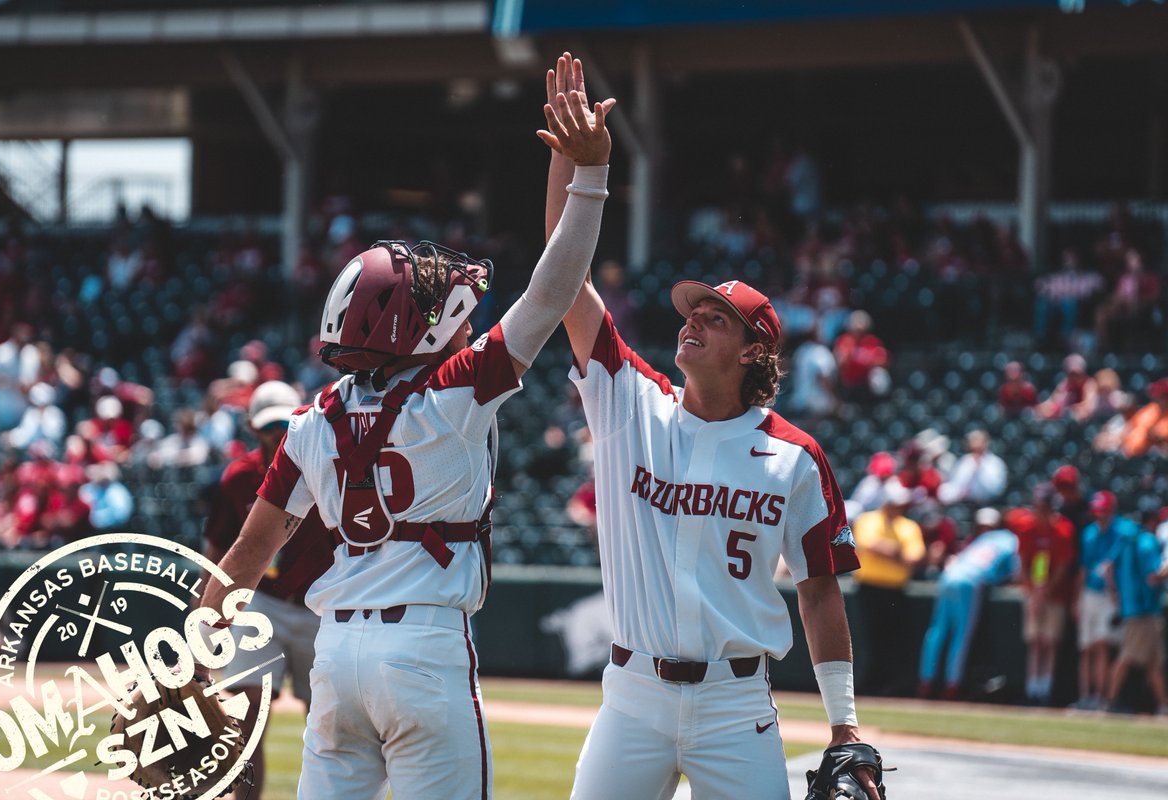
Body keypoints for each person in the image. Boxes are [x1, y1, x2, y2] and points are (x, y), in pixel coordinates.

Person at [199, 82, 613, 799]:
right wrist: (591, 177)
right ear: (415, 330)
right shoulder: (453, 391)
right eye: (446, 313)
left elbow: (243, 558)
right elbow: (553, 290)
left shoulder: (307, 422)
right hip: (423, 649)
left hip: (338, 655)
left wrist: (191, 658)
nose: (460, 323)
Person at [545, 52, 880, 800]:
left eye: (715, 316)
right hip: (632, 697)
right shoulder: (630, 399)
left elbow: (820, 590)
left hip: (738, 707)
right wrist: (576, 167)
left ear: (754, 348)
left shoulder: (796, 457)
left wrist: (844, 725)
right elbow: (564, 281)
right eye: (691, 311)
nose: (692, 320)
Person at [201, 381, 333, 800]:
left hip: (322, 606)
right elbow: (219, 553)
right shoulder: (238, 477)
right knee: (248, 720)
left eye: (283, 423)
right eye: (267, 426)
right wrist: (203, 624)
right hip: (263, 605)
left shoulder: (325, 463)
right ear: (251, 428)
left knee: (330, 725)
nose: (277, 433)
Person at [918, 508, 1019, 700]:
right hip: (970, 582)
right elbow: (1015, 573)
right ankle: (951, 686)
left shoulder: (979, 540)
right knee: (959, 635)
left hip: (949, 575)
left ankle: (926, 682)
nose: (984, 529)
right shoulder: (1010, 541)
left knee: (937, 632)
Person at [851, 478, 926, 696]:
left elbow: (916, 556)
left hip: (895, 590)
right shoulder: (868, 520)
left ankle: (890, 688)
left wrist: (890, 551)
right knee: (869, 638)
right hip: (868, 588)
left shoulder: (908, 526)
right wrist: (898, 553)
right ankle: (867, 686)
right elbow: (869, 545)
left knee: (893, 640)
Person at [1006, 482, 1077, 705]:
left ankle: (1045, 690)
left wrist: (1044, 591)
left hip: (1055, 595)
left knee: (1050, 642)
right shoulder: (1027, 527)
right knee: (1035, 642)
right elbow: (1024, 563)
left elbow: (1063, 567)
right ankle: (1032, 689)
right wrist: (1034, 591)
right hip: (1034, 593)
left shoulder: (1063, 529)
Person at [1072, 491, 1132, 711]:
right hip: (1090, 594)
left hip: (1110, 595)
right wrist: (1077, 600)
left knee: (1101, 646)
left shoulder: (1123, 531)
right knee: (1086, 648)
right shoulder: (1089, 534)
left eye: (1104, 511)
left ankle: (1101, 698)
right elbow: (1084, 569)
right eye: (1097, 512)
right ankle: (1085, 697)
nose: (1100, 516)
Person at [1101, 518, 1166, 715]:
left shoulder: (1127, 539)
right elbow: (1153, 577)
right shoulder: (1146, 541)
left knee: (1154, 663)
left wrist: (1116, 594)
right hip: (1144, 610)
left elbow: (1107, 568)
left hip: (1134, 608)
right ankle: (1110, 701)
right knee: (1128, 657)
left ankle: (1164, 706)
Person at [937, 429, 1007, 506]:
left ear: (985, 443)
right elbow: (956, 484)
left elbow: (996, 489)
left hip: (987, 504)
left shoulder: (995, 463)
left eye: (977, 440)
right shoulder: (965, 460)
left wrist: (979, 468)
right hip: (964, 503)